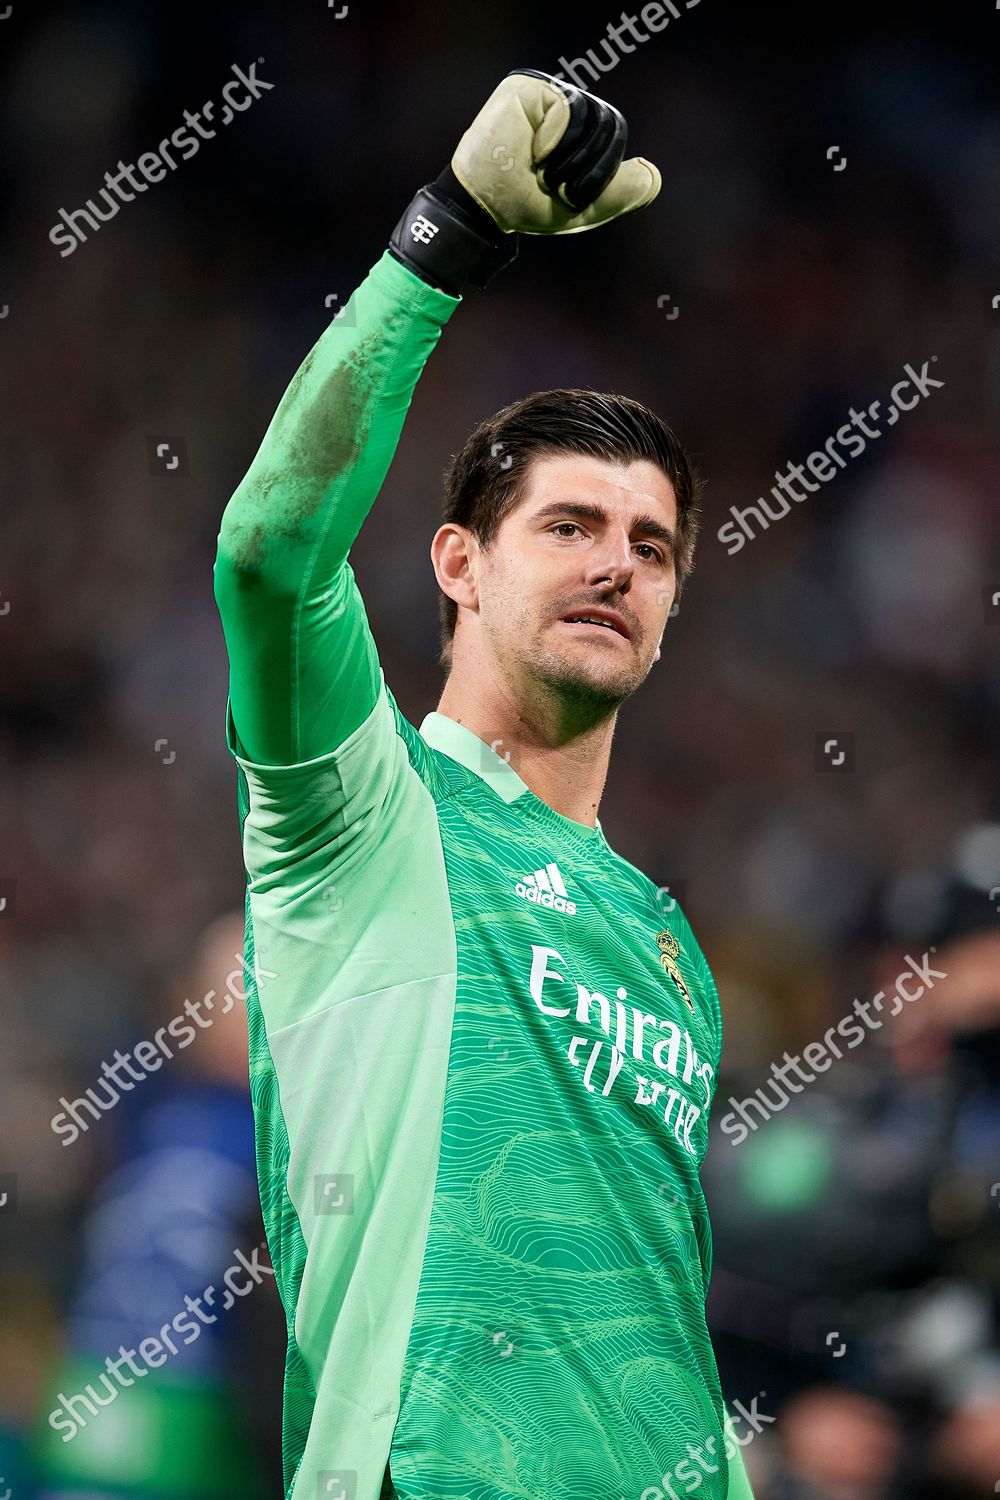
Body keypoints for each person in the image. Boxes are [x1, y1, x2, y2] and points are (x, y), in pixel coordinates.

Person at [214, 67, 756, 1500]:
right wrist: (443, 238)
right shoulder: (366, 812)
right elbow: (271, 554)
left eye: (650, 547)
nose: (615, 565)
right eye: (569, 524)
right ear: (458, 564)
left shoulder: (668, 944)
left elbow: (661, 1316)